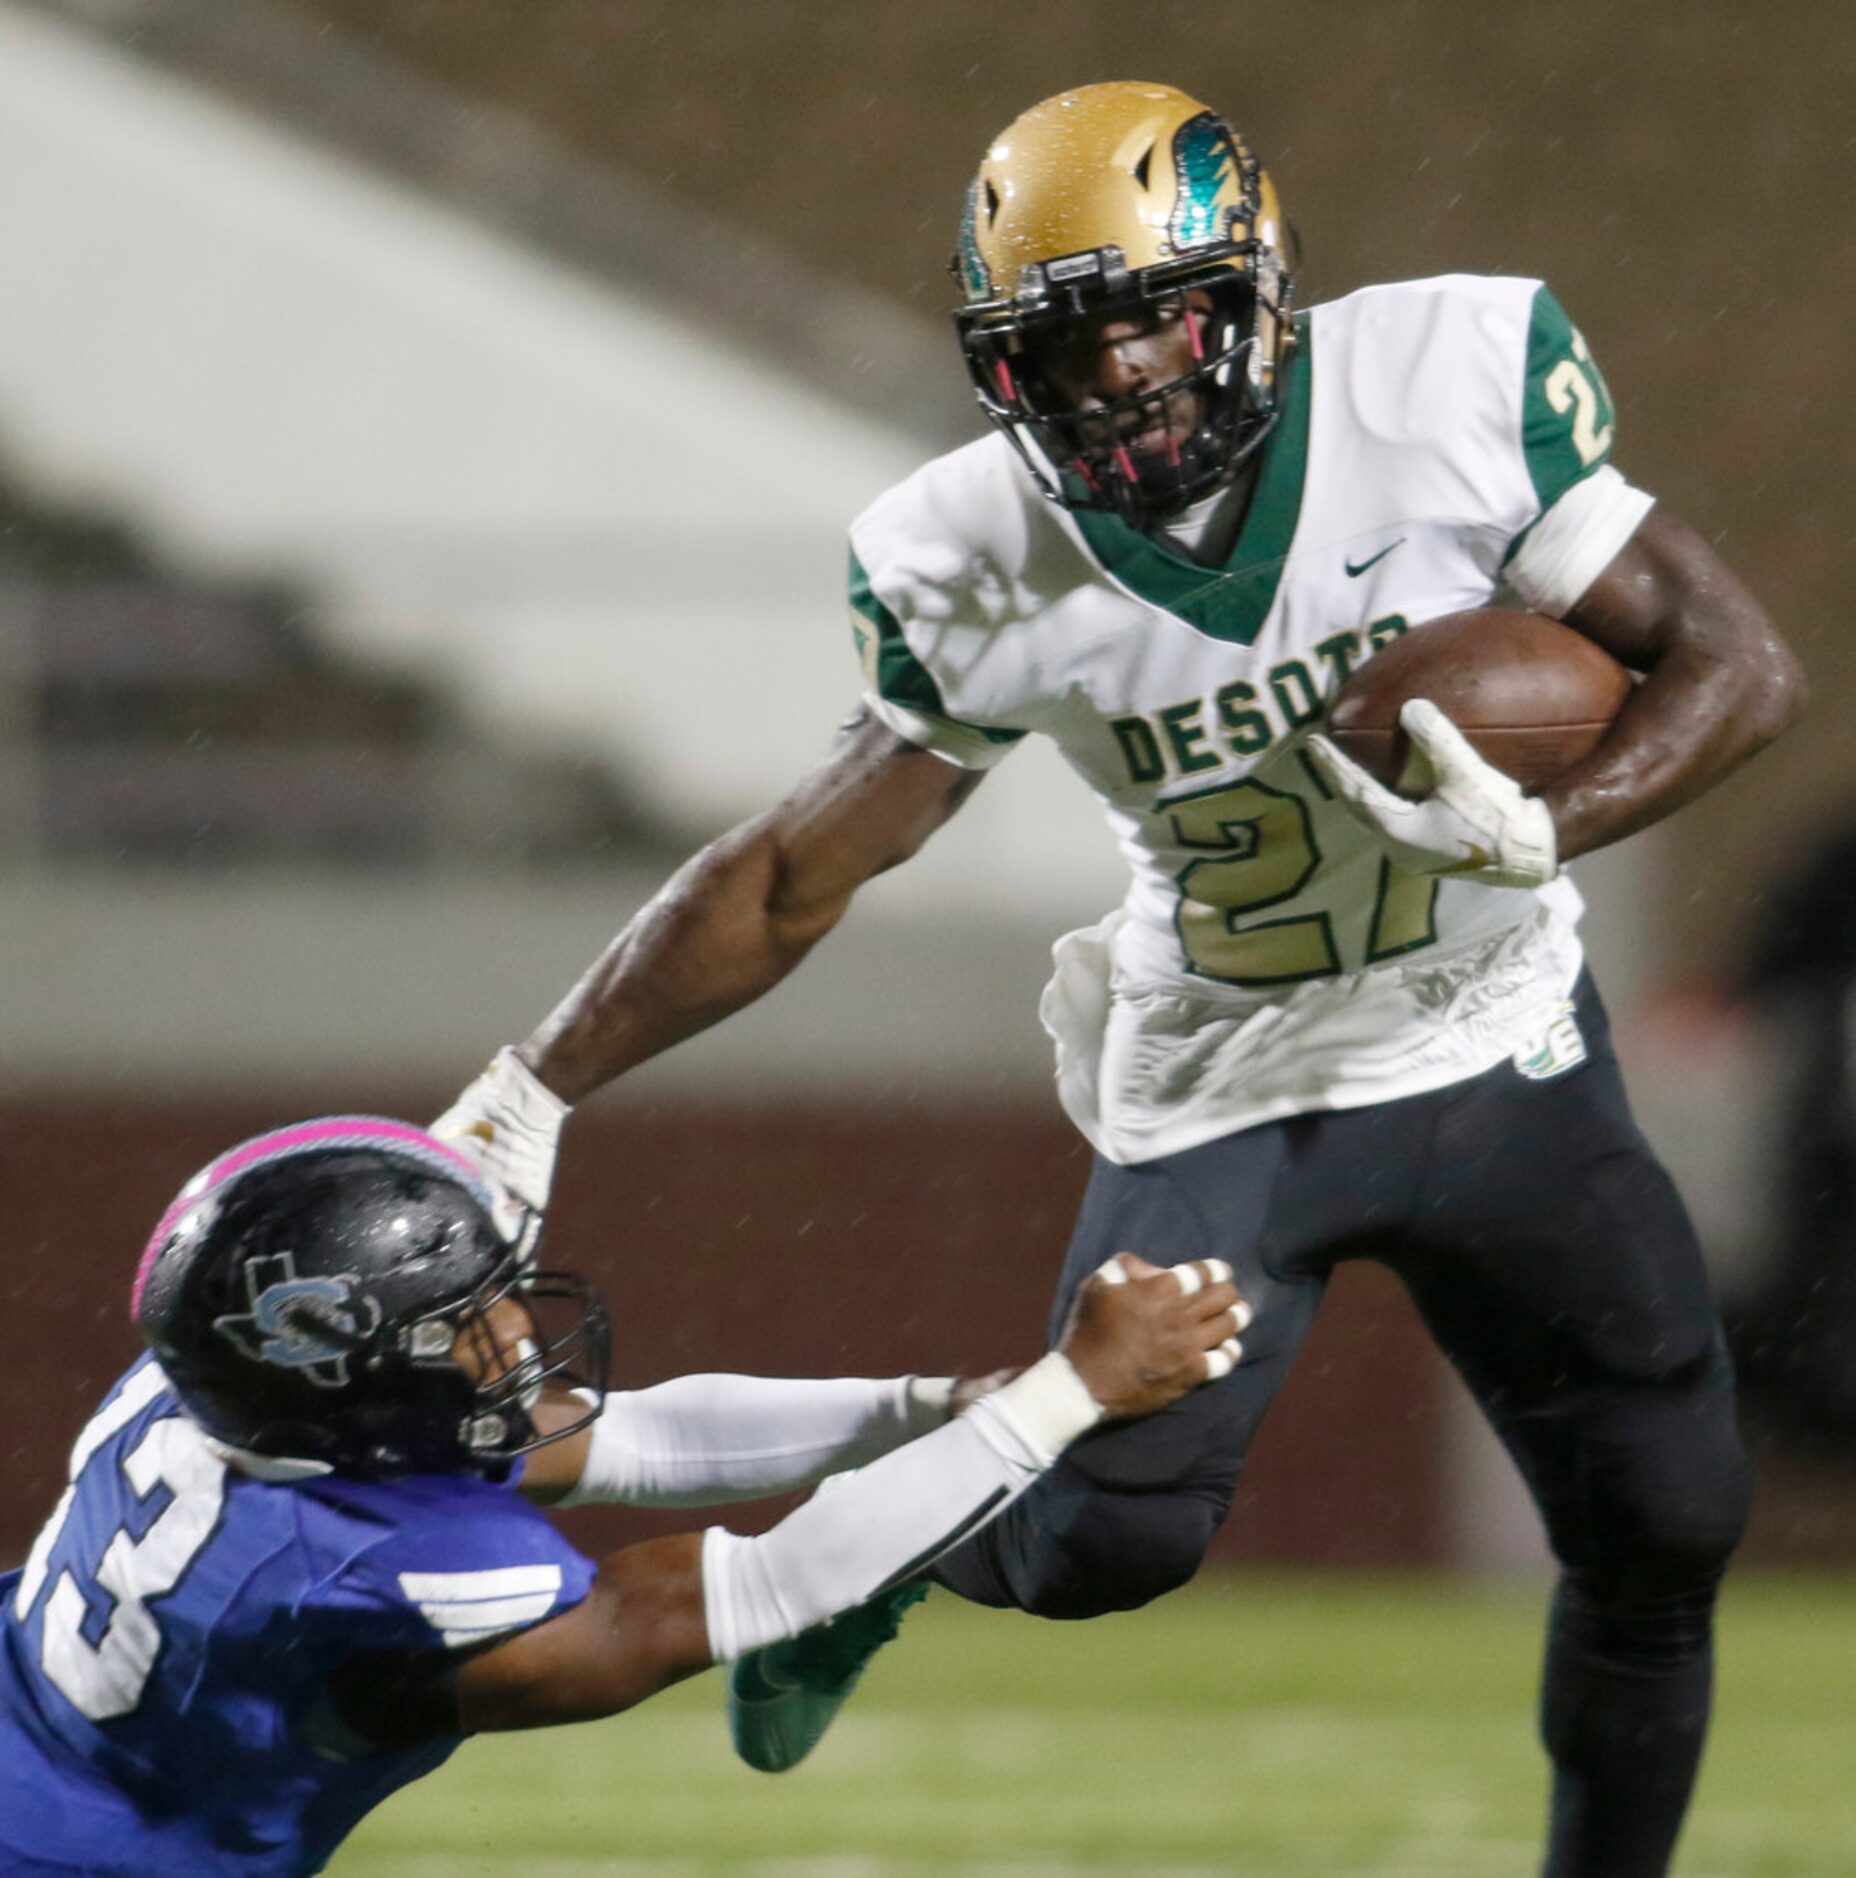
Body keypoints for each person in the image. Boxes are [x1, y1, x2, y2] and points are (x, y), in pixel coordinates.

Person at [437, 82, 1806, 1878]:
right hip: (1228, 1078)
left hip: (1494, 1041)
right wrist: (537, 1076)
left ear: (1248, 289)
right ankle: (865, 1564)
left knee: (1666, 1518)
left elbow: (1738, 664)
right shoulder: (973, 549)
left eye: (1148, 315)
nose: (1114, 378)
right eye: (1061, 344)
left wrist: (1558, 826)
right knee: (1107, 1547)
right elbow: (791, 871)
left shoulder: (1446, 381)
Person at [0, 1114, 1246, 1874]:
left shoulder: (228, 1393)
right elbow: (755, 1585)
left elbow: (635, 1438)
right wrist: (1070, 1396)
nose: (504, 1332)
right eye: (461, 1321)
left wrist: (938, 1402)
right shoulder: (348, 1579)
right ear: (350, 1373)